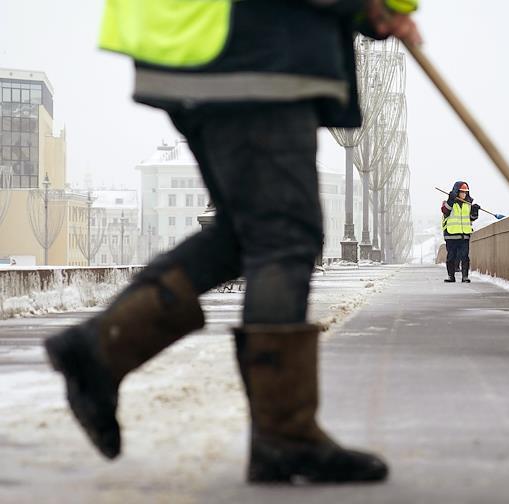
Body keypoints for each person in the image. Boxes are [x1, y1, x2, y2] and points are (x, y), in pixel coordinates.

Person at [44, 0, 421, 485]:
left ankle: (100, 348)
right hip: (251, 43)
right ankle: (284, 437)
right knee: (284, 236)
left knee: (248, 233)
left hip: (203, 41)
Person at [441, 181, 480, 283]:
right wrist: (450, 200)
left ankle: (465, 276)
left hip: (464, 235)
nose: (464, 194)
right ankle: (451, 276)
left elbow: (471, 219)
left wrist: (475, 211)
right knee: (451, 257)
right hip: (451, 235)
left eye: (465, 192)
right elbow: (445, 211)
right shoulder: (448, 202)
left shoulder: (468, 204)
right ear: (457, 191)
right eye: (462, 192)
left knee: (465, 257)